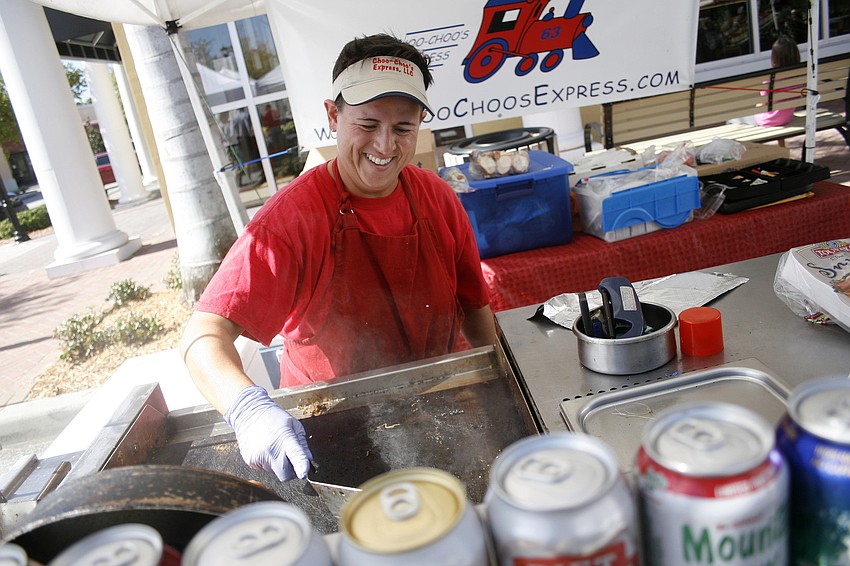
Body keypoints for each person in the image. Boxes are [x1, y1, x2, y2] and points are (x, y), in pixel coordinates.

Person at [179, 33, 497, 482]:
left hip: (442, 412)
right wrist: (248, 410)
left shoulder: (438, 198)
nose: (385, 146)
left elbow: (475, 309)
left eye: (403, 128)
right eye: (368, 125)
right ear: (334, 115)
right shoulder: (291, 219)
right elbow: (202, 337)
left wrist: (496, 383)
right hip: (332, 429)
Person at [727, 35, 802, 128]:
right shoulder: (801, 78)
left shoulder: (771, 80)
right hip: (787, 118)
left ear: (774, 58)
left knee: (731, 120)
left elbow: (762, 104)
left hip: (768, 120)